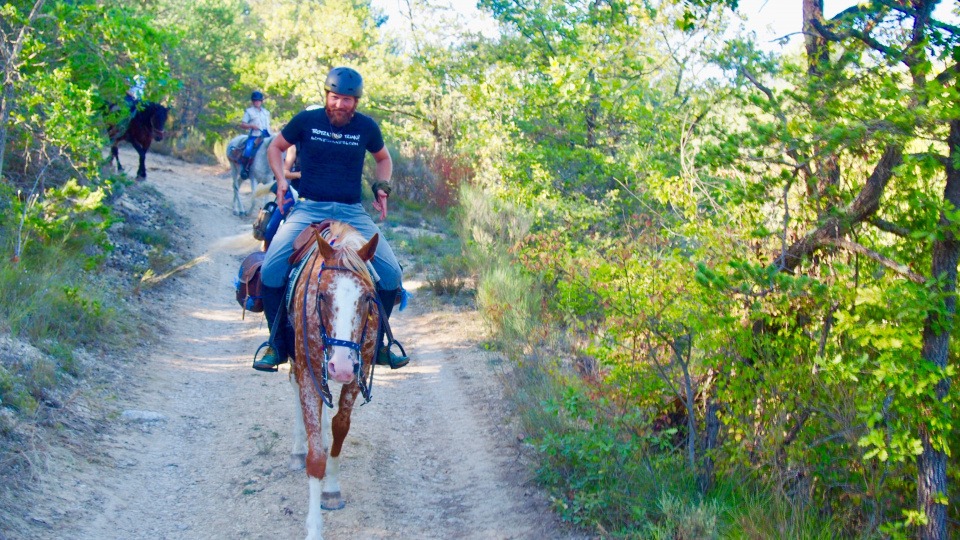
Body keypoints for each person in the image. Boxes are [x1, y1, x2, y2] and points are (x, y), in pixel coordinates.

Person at [252, 67, 409, 373]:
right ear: (326, 95)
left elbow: (383, 158)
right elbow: (275, 147)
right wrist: (281, 180)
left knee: (391, 275)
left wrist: (382, 187)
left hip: (352, 210)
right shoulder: (306, 120)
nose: (341, 104)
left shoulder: (366, 127)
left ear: (357, 101)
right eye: (336, 97)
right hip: (309, 209)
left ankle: (378, 347)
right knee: (271, 268)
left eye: (348, 100)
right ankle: (276, 345)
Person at [239, 91, 272, 180]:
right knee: (248, 150)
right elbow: (242, 124)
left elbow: (268, 124)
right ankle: (245, 169)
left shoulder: (266, 112)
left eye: (259, 100)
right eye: (255, 100)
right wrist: (251, 126)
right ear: (253, 101)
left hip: (267, 135)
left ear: (261, 101)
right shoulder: (249, 112)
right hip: (255, 135)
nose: (257, 102)